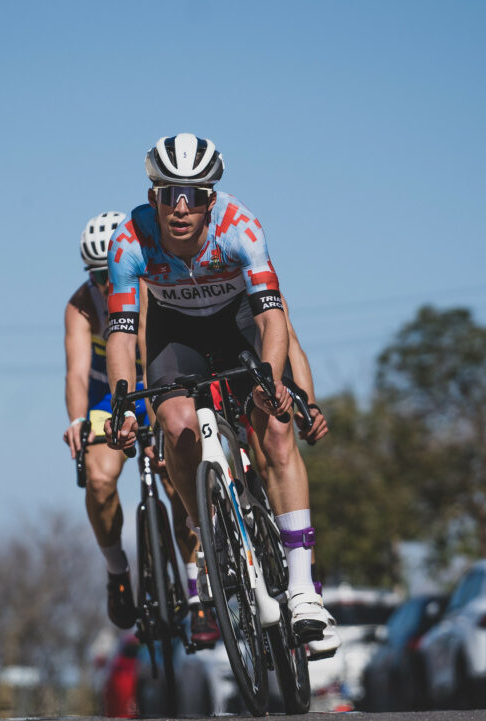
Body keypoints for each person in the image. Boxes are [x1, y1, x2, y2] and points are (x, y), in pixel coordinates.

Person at [102, 134, 338, 656]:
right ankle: (209, 531)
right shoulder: (129, 240)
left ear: (212, 198)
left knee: (275, 431)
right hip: (175, 332)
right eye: (168, 195)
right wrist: (122, 403)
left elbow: (273, 319)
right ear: (152, 196)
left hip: (238, 325)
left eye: (194, 194)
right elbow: (120, 331)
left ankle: (302, 588)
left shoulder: (242, 228)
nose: (180, 208)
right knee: (176, 425)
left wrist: (271, 382)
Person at [63, 211, 219, 644]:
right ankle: (117, 571)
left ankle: (197, 589)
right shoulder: (80, 305)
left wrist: (156, 425)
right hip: (105, 397)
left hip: (153, 386)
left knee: (176, 477)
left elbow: (155, 355)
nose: (105, 284)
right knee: (98, 478)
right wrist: (78, 421)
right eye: (97, 276)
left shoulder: (147, 286)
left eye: (110, 272)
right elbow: (77, 374)